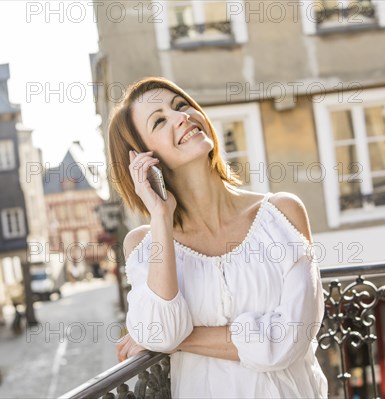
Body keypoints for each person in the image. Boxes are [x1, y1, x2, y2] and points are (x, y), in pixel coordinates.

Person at [109, 77, 328, 398]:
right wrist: (160, 217)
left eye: (181, 105)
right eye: (159, 120)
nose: (181, 116)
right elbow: (162, 328)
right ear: (142, 157)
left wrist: (182, 340)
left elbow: (289, 340)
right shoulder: (143, 244)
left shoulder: (282, 214)